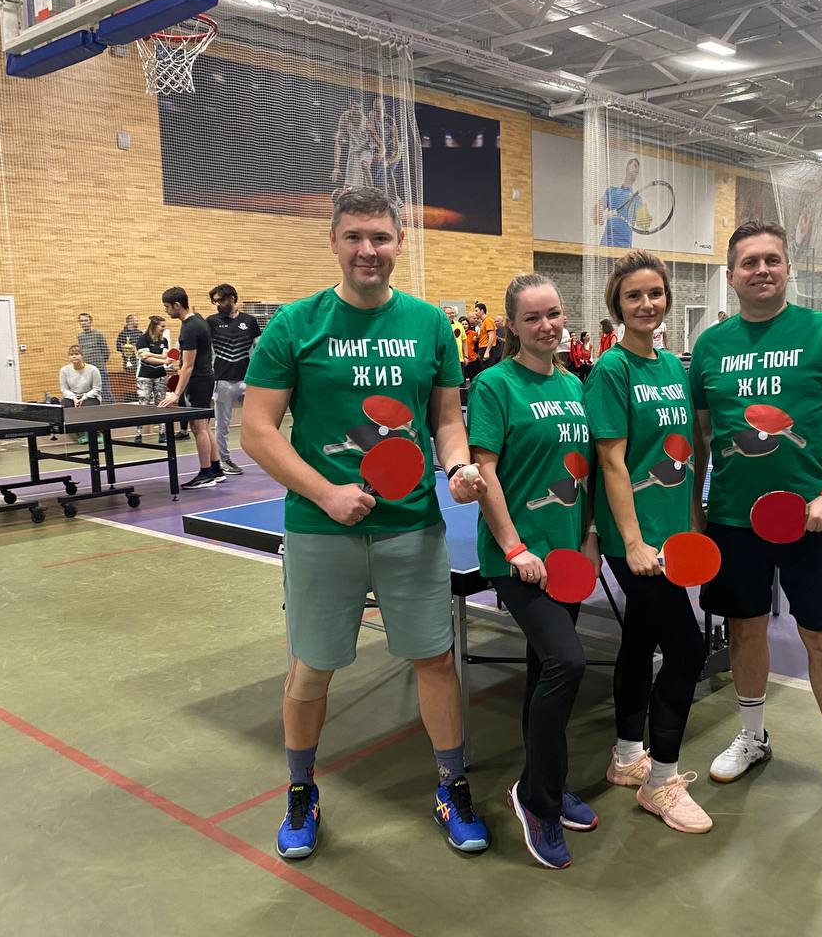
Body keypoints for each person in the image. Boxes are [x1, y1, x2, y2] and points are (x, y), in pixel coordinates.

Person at [240, 187, 491, 861]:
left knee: (434, 660)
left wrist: (458, 466)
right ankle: (301, 791)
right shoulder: (294, 325)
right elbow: (257, 430)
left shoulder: (430, 325)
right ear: (333, 241)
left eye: (380, 237)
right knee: (312, 667)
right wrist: (326, 494)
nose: (368, 249)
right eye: (354, 236)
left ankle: (452, 786)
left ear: (399, 244)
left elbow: (446, 419)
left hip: (413, 527)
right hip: (322, 530)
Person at [689, 220, 822, 823]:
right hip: (732, 521)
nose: (762, 270)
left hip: (811, 522)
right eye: (749, 262)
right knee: (744, 632)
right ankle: (752, 736)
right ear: (731, 275)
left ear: (787, 268)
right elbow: (700, 435)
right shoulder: (710, 346)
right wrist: (695, 510)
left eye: (771, 259)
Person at [468, 273, 599, 869]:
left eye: (554, 314)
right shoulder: (495, 385)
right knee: (568, 662)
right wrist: (515, 548)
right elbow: (485, 472)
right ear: (512, 326)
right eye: (532, 318)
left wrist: (590, 538)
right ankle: (539, 801)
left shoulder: (574, 385)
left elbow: (585, 471)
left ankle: (543, 779)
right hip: (519, 559)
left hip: (567, 555)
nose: (547, 326)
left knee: (546, 666)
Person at [585, 250, 711, 835]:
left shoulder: (671, 367)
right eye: (633, 295)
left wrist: (695, 515)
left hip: (672, 530)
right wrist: (633, 543)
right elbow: (611, 461)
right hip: (632, 536)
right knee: (686, 648)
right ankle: (660, 781)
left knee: (639, 637)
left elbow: (684, 453)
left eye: (654, 293)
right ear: (617, 304)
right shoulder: (612, 371)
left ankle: (626, 756)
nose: (646, 304)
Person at [158, 287, 224, 490]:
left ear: (177, 305)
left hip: (198, 381)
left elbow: (187, 365)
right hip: (205, 379)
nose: (166, 311)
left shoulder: (189, 328)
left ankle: (206, 474)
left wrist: (176, 393)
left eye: (167, 307)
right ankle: (216, 469)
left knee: (198, 427)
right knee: (204, 426)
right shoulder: (199, 320)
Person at [207, 283, 260, 476]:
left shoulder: (250, 321)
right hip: (223, 381)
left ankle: (268, 456)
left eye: (220, 300)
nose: (218, 305)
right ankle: (223, 459)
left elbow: (259, 349)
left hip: (248, 381)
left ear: (232, 298)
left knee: (260, 421)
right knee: (222, 425)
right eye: (215, 302)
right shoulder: (211, 322)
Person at [134, 315, 172, 444]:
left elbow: (164, 355)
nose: (164, 328)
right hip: (144, 376)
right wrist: (162, 359)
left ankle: (162, 433)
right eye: (162, 326)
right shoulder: (143, 339)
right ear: (154, 326)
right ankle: (138, 434)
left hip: (160, 376)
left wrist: (151, 354)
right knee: (143, 404)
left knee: (161, 404)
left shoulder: (164, 340)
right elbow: (145, 358)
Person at [592, 158, 641, 249]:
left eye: (638, 169)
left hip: (625, 248)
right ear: (628, 167)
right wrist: (599, 213)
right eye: (635, 166)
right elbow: (597, 214)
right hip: (607, 245)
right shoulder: (611, 191)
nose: (637, 170)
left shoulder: (637, 199)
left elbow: (642, 223)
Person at [76, 313, 113, 404]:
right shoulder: (80, 337)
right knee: (89, 391)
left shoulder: (98, 334)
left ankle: (110, 407)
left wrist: (100, 362)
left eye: (86, 320)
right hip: (87, 370)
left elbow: (106, 351)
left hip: (99, 368)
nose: (84, 323)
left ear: (91, 321)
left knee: (105, 390)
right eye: (81, 321)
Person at [116, 314, 144, 401]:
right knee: (129, 380)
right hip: (128, 362)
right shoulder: (123, 334)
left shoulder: (140, 333)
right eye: (135, 320)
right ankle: (130, 399)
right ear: (130, 321)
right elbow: (118, 347)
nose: (137, 322)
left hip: (140, 361)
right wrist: (128, 349)